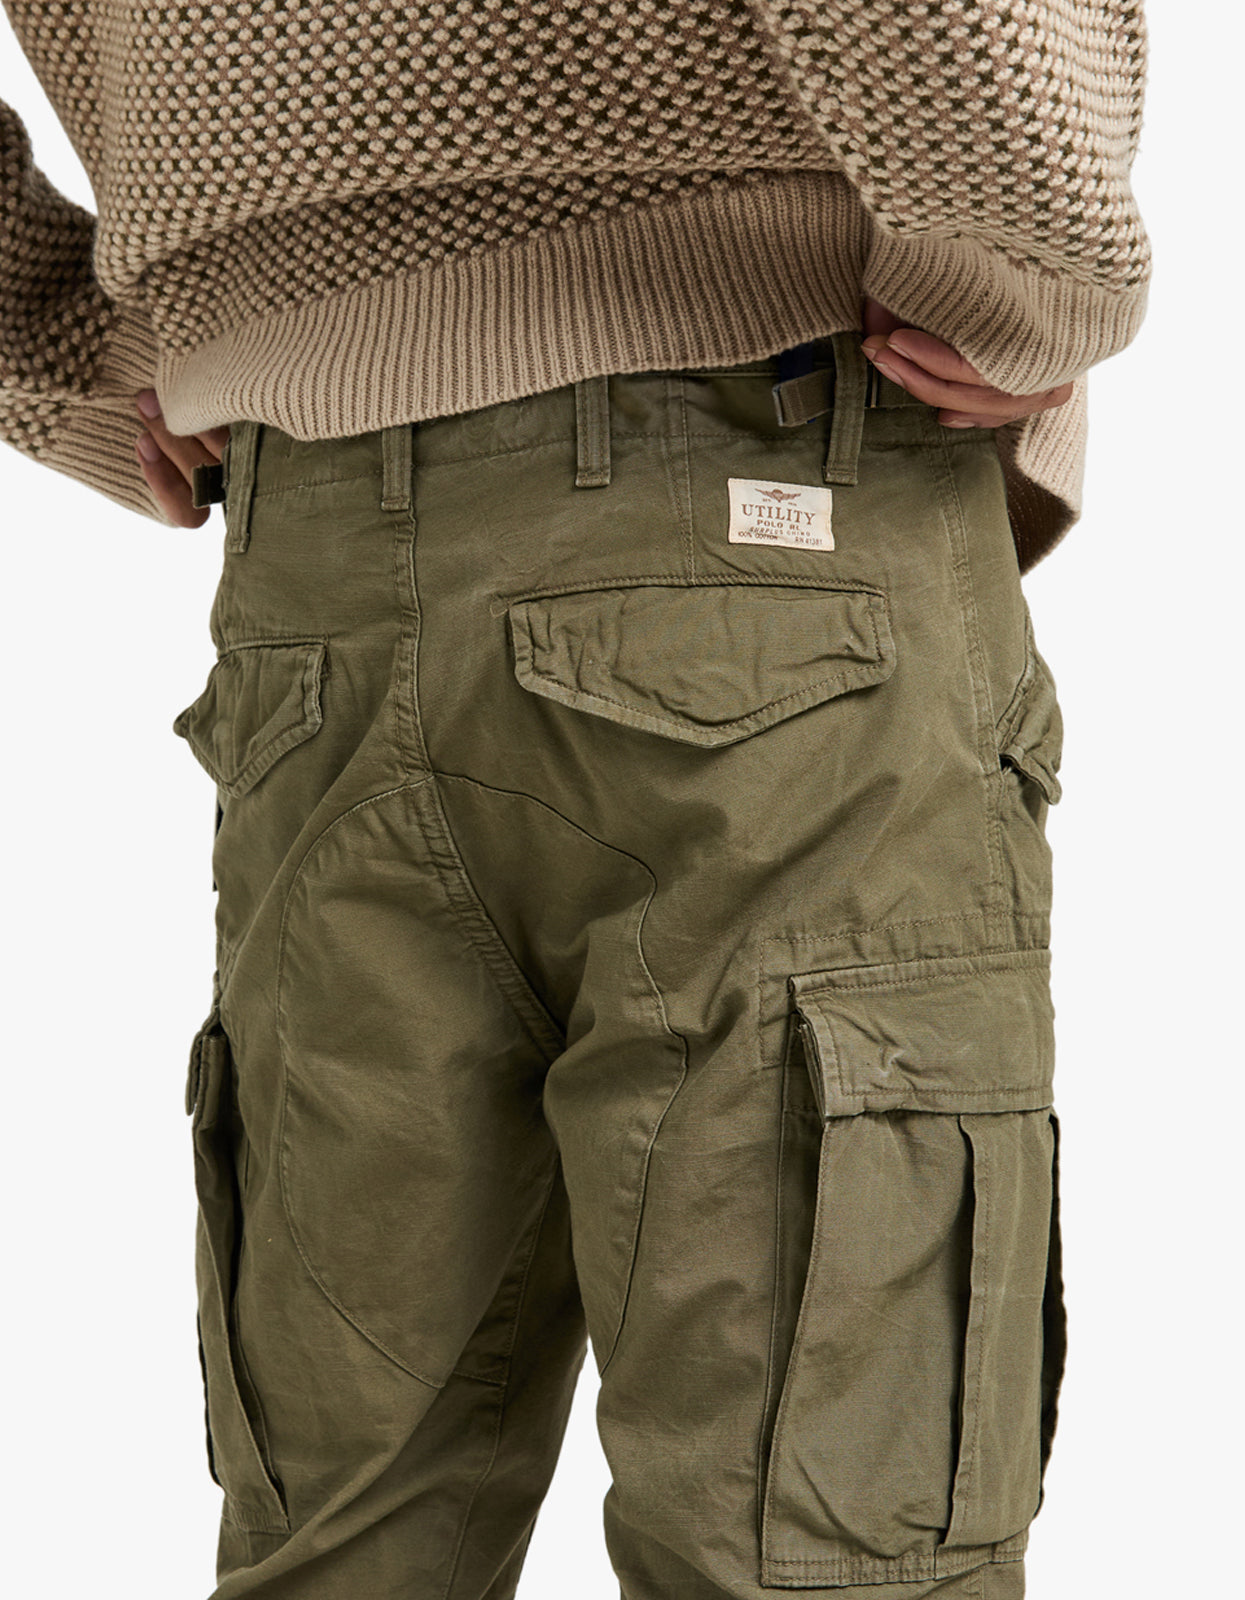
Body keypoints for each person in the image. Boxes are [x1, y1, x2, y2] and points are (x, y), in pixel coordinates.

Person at [1, 4, 1150, 1597]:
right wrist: (1026, 272)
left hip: (315, 598)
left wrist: (79, 354)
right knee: (825, 1552)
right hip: (776, 531)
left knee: (341, 1550)